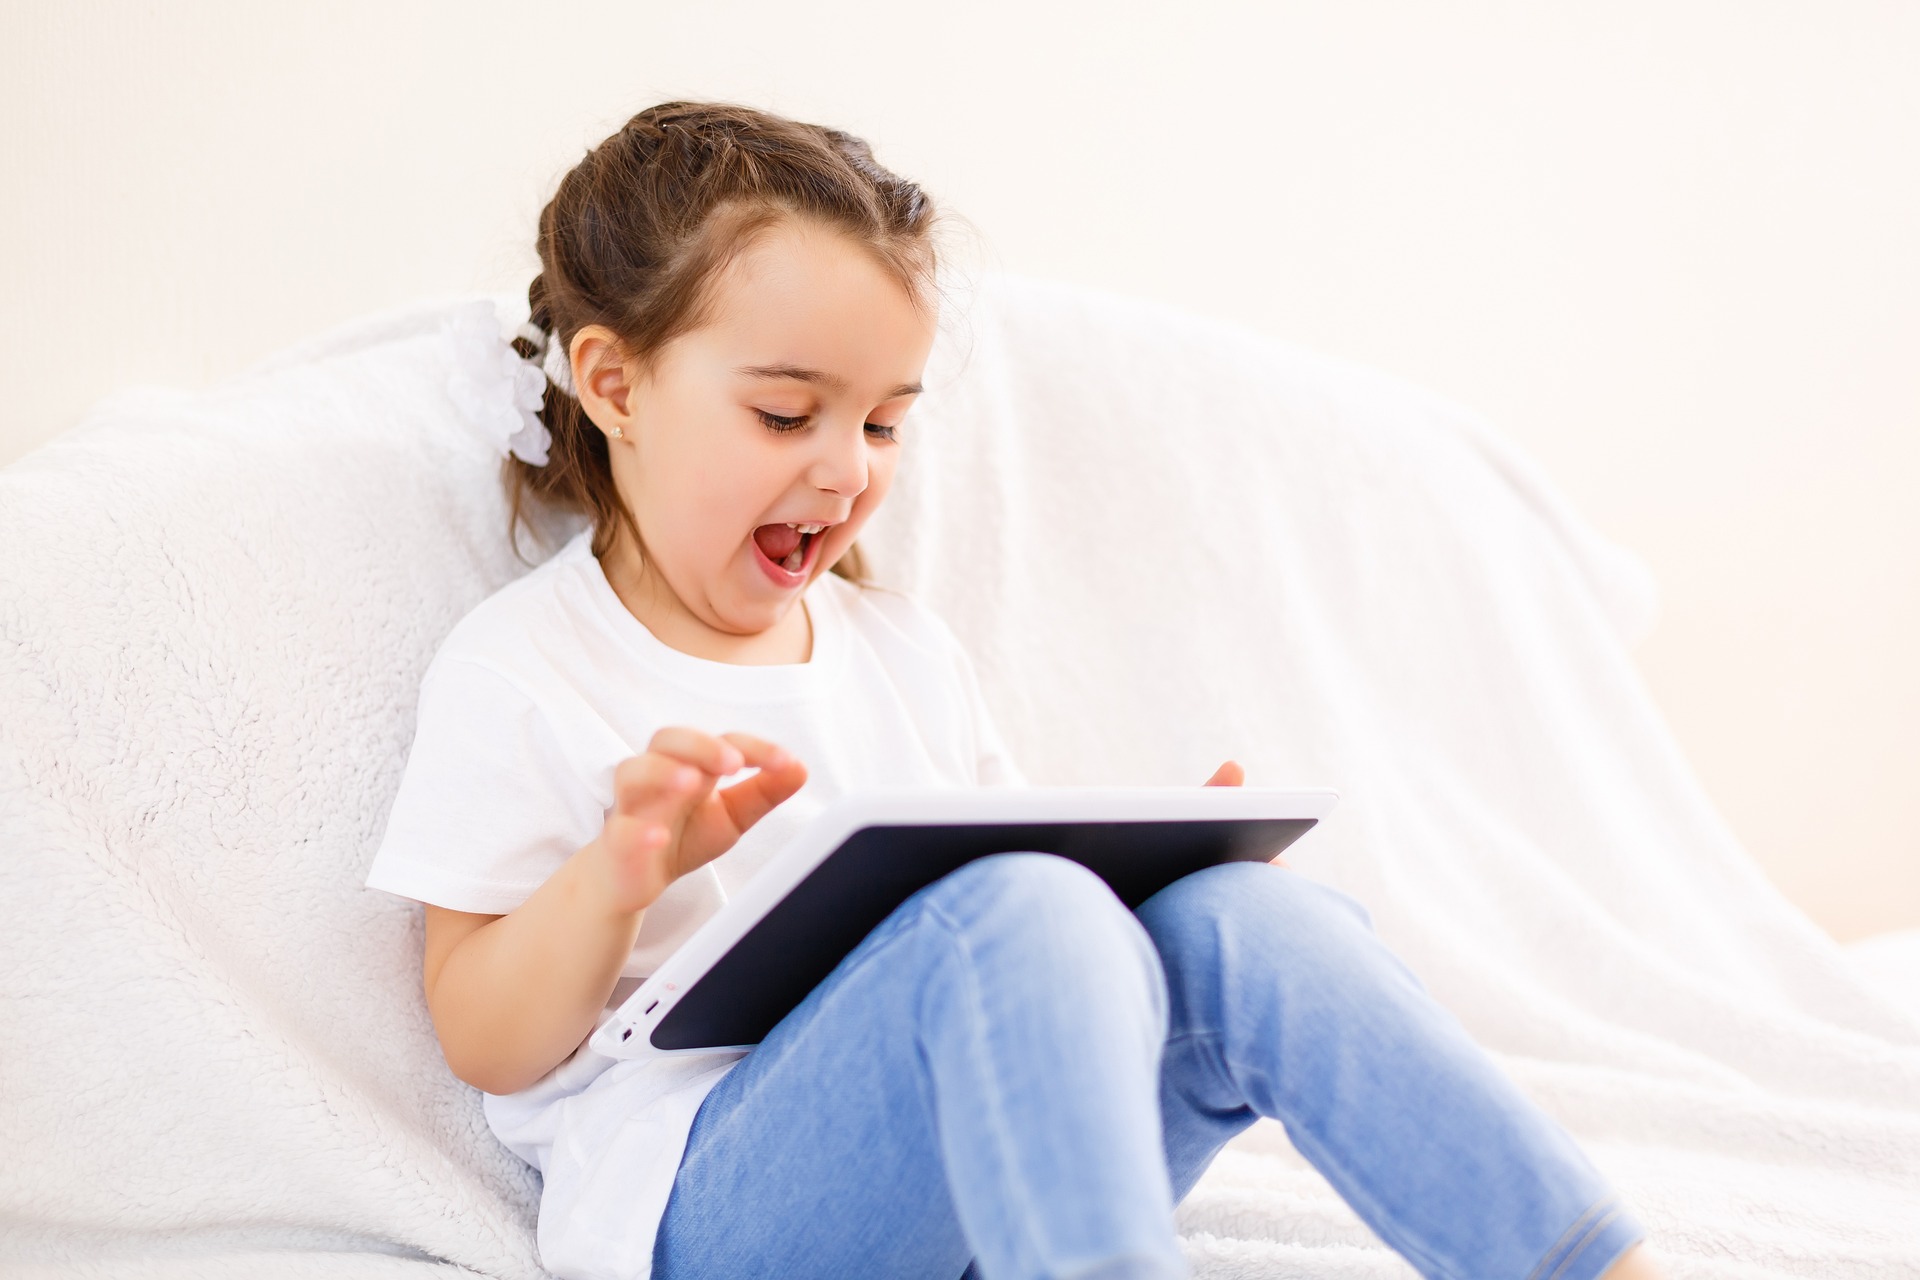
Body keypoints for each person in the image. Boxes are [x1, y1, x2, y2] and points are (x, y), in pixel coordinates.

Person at [364, 100, 1668, 1280]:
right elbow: (482, 1037)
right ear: (614, 384)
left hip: (993, 1183)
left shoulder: (900, 655)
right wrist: (620, 871)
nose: (844, 470)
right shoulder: (528, 666)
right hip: (713, 1211)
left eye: (880, 425)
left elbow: (1037, 950)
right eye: (784, 416)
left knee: (1248, 926)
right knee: (1018, 903)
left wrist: (1159, 876)